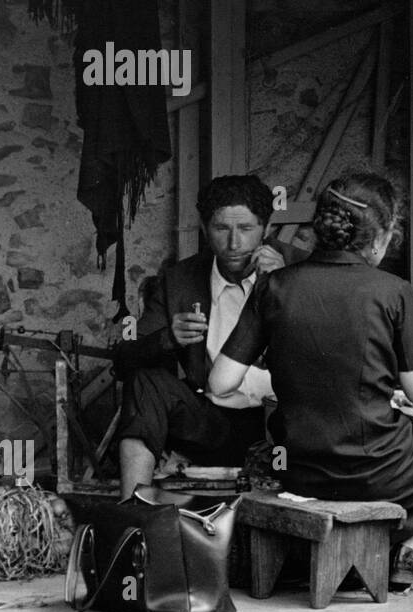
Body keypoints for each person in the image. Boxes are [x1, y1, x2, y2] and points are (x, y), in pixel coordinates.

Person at [209, 171, 413, 544]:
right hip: (376, 472)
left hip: (296, 470)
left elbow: (220, 383)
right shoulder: (393, 292)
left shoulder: (274, 287)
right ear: (381, 238)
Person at [112, 175, 289, 500]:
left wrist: (287, 284)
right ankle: (132, 515)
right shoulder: (180, 279)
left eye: (246, 229)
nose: (234, 243)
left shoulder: (298, 267)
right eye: (222, 229)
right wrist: (168, 338)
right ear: (205, 229)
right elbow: (123, 362)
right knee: (144, 381)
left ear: (265, 229)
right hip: (214, 424)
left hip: (284, 425)